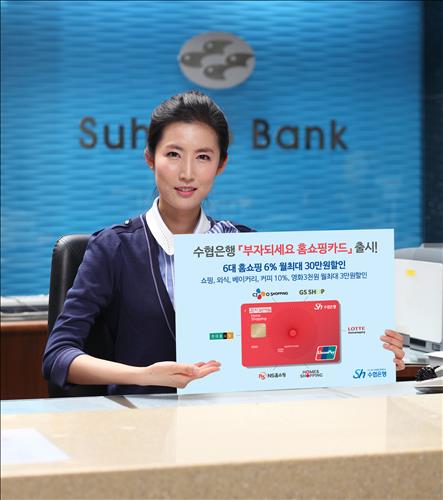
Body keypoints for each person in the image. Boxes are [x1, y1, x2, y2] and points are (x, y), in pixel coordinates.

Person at [43, 90, 405, 396]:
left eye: (203, 157)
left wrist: (372, 352)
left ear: (221, 165)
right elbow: (58, 356)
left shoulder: (246, 247)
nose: (187, 172)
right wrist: (142, 375)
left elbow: (293, 345)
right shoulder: (113, 248)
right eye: (173, 154)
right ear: (150, 158)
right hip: (143, 430)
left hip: (236, 426)